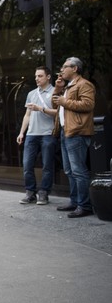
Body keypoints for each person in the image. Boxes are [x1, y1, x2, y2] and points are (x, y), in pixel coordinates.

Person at [52, 57, 96, 218]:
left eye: (65, 67)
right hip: (66, 131)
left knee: (79, 171)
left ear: (75, 68)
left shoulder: (84, 84)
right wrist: (57, 89)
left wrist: (65, 100)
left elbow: (88, 105)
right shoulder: (67, 87)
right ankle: (75, 201)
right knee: (69, 170)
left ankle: (84, 205)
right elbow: (55, 104)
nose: (61, 70)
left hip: (77, 132)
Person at [16, 66, 57, 205]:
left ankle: (44, 193)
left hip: (47, 134)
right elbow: (27, 115)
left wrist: (40, 109)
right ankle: (30, 193)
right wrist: (22, 132)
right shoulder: (32, 94)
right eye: (35, 76)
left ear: (48, 77)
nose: (37, 79)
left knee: (47, 166)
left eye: (40, 76)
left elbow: (58, 113)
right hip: (31, 134)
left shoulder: (55, 92)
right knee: (27, 165)